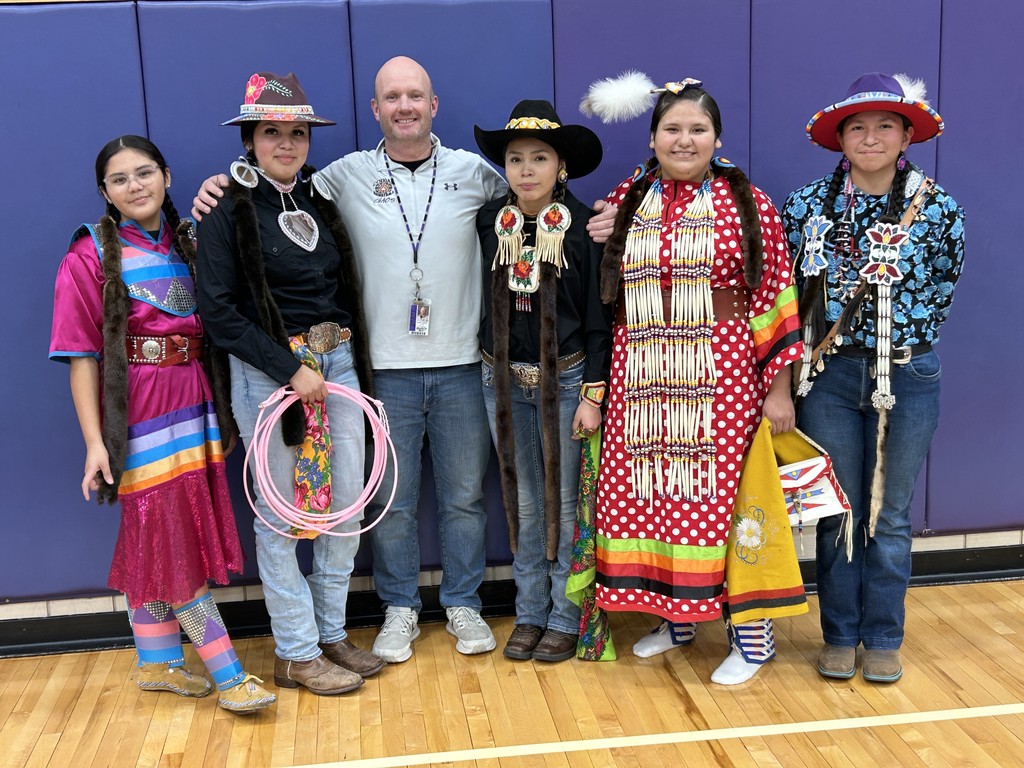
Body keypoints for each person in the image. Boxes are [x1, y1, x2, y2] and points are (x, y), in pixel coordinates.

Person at [192, 56, 619, 664]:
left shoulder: (478, 174)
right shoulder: (339, 177)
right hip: (379, 371)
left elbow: (540, 202)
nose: (404, 106)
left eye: (415, 95)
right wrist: (220, 186)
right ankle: (398, 608)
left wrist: (600, 218)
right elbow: (270, 186)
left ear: (433, 104)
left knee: (465, 497)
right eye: (392, 97)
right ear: (375, 109)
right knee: (388, 500)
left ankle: (463, 602)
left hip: (465, 366)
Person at [580, 74, 803, 684]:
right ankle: (674, 617)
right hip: (641, 374)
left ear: (717, 138)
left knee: (720, 502)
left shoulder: (747, 202)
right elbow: (599, 264)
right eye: (672, 128)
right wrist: (601, 228)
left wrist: (778, 388)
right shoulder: (629, 197)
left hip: (720, 375)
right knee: (650, 497)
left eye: (697, 129)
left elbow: (775, 291)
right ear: (653, 138)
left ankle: (752, 636)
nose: (684, 140)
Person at [49, 135, 275, 713]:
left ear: (167, 176)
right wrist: (95, 442)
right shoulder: (89, 256)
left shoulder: (190, 242)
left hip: (194, 402)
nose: (135, 186)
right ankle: (228, 675)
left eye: (145, 172)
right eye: (120, 179)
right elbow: (81, 358)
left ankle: (158, 662)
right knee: (170, 537)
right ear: (105, 192)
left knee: (157, 531)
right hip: (141, 413)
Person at [195, 72, 383, 695]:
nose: (285, 143)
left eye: (297, 133)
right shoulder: (227, 210)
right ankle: (296, 651)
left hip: (339, 364)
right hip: (272, 373)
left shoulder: (319, 199)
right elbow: (219, 313)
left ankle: (329, 634)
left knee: (346, 506)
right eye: (271, 132)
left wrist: (327, 364)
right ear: (250, 139)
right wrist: (290, 369)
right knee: (281, 516)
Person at [781, 73, 965, 683]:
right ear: (839, 138)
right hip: (830, 377)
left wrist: (898, 337)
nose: (870, 137)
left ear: (907, 135)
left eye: (885, 125)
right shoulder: (806, 207)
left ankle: (884, 636)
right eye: (856, 127)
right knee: (838, 511)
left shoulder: (938, 208)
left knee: (889, 514)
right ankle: (839, 634)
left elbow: (943, 285)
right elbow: (788, 291)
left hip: (907, 375)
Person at [474, 100, 613, 662]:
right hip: (502, 380)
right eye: (515, 159)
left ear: (561, 166)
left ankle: (563, 614)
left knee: (565, 502)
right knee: (524, 501)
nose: (526, 170)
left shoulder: (585, 229)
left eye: (539, 158)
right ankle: (529, 611)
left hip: (567, 380)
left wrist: (593, 395)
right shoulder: (489, 223)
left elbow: (601, 320)